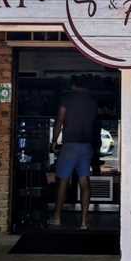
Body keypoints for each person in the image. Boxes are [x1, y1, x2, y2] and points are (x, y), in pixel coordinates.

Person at [50, 77, 99, 230]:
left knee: (63, 181)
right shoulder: (93, 101)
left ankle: (57, 218)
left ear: (73, 85)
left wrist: (53, 141)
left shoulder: (67, 98)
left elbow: (59, 120)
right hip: (86, 145)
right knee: (84, 182)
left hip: (70, 145)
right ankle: (84, 221)